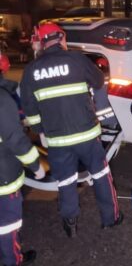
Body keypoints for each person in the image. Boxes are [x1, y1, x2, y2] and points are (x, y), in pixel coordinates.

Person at [20, 22, 122, 238]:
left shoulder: (31, 70)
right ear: (62, 38)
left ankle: (71, 223)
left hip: (57, 141)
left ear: (42, 42)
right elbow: (97, 82)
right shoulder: (77, 60)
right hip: (87, 136)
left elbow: (29, 108)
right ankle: (110, 219)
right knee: (101, 175)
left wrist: (40, 132)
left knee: (66, 181)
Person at [0, 54, 45, 266]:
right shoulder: (2, 99)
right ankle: (13, 260)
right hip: (4, 177)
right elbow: (16, 141)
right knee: (8, 223)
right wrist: (37, 166)